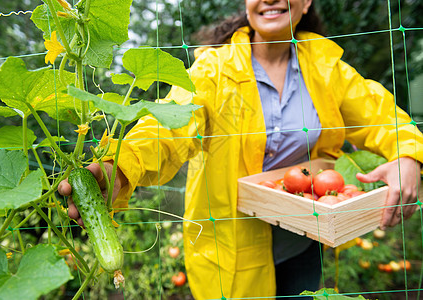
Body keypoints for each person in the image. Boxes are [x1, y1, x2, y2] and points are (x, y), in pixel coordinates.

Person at [58, 0, 423, 299]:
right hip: (230, 250)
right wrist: (121, 167)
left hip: (305, 242)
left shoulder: (327, 68)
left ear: (307, 2)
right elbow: (168, 128)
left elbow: (380, 115)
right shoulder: (213, 69)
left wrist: (407, 154)